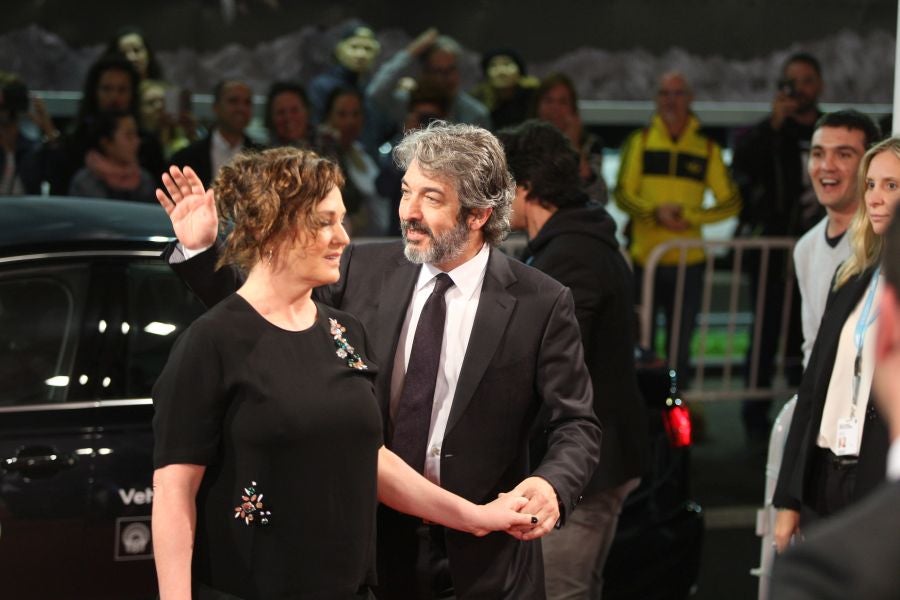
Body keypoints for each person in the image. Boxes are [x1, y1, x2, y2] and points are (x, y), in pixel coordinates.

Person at [162, 121, 601, 599]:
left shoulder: (541, 301)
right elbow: (263, 315)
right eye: (406, 191)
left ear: (477, 214)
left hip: (484, 559)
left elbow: (576, 423)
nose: (408, 212)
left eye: (431, 198)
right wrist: (202, 252)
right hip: (367, 547)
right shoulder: (358, 270)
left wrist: (552, 485)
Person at [499, 119, 648, 599]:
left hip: (586, 462)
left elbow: (557, 363)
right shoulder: (582, 239)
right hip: (602, 455)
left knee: (560, 591)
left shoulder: (572, 254)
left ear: (525, 186)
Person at [770, 172, 900, 600]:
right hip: (827, 469)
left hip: (874, 476)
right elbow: (812, 392)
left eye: (893, 185)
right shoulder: (852, 281)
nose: (878, 197)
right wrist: (788, 497)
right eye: (871, 184)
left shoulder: (827, 574)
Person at [614, 71, 741, 385]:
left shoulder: (707, 148)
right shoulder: (640, 142)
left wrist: (690, 216)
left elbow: (731, 202)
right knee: (638, 340)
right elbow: (622, 194)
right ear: (657, 99)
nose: (671, 101)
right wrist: (654, 212)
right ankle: (643, 414)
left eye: (678, 93)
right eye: (665, 93)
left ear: (690, 98)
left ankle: (677, 417)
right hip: (645, 258)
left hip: (688, 262)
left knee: (680, 343)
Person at [733, 52, 825, 438]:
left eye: (805, 80)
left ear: (818, 85)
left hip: (821, 246)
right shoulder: (768, 133)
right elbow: (743, 172)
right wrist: (773, 126)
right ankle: (755, 419)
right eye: (790, 81)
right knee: (766, 330)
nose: (797, 89)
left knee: (808, 329)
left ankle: (805, 411)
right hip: (773, 251)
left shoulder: (829, 130)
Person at [794, 110, 881, 367]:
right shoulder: (806, 248)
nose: (826, 165)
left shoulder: (884, 242)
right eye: (818, 153)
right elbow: (813, 344)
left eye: (843, 154)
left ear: (869, 164)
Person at [367, 29, 491, 131]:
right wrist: (411, 53)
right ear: (425, 73)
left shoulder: (475, 114)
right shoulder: (407, 104)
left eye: (450, 70)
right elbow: (375, 93)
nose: (445, 78)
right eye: (437, 71)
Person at [318, 86, 389, 236]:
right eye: (342, 114)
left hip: (378, 236)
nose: (350, 121)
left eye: (356, 114)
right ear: (329, 117)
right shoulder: (323, 154)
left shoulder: (362, 149)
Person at [170, 79, 264, 186]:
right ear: (216, 107)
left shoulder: (262, 157)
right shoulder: (185, 158)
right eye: (233, 101)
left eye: (247, 102)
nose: (241, 108)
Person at [534, 72, 607, 205]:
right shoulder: (522, 142)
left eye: (563, 102)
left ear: (573, 108)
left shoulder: (590, 144)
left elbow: (599, 197)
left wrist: (573, 145)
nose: (554, 109)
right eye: (548, 100)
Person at [68, 110, 155, 202]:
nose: (137, 141)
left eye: (136, 134)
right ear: (106, 143)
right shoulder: (84, 183)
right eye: (129, 136)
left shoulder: (144, 180)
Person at [469, 49, 538, 130]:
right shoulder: (477, 100)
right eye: (493, 65)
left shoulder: (534, 97)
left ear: (519, 70)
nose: (501, 71)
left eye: (507, 64)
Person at [264, 81, 312, 148]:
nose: (288, 117)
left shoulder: (327, 142)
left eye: (294, 110)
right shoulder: (263, 151)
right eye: (280, 112)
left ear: (307, 111)